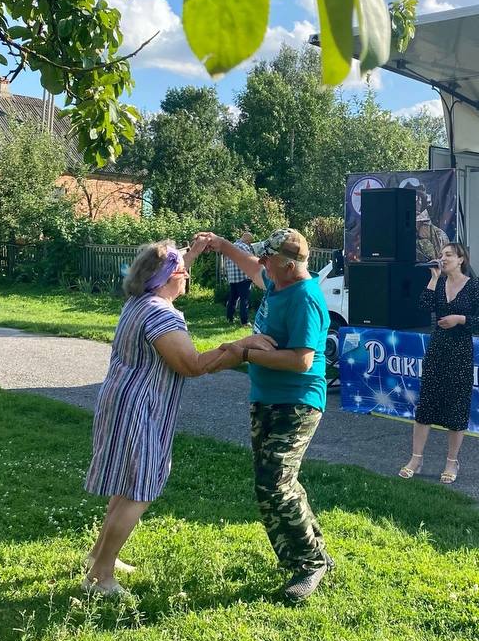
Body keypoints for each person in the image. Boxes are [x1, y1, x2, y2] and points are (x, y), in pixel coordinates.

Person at [83, 240, 274, 597]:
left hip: (122, 399)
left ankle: (99, 556)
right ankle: (100, 576)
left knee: (127, 485)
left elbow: (171, 261)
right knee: (140, 488)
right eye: (182, 270)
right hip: (140, 406)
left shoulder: (140, 301)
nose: (187, 274)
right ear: (168, 277)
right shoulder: (161, 314)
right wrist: (242, 349)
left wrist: (195, 251)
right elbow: (191, 365)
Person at [193, 227, 334, 603]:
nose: (262, 264)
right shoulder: (278, 283)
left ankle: (309, 564)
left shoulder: (304, 298)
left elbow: (302, 361)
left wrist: (246, 353)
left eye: (267, 259)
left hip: (297, 402)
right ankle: (314, 550)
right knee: (276, 481)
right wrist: (222, 245)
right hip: (267, 398)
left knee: (275, 483)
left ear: (287, 265)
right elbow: (252, 268)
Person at [399, 242, 479, 484]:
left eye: (449, 255)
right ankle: (416, 458)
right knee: (427, 403)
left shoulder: (473, 288)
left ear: (461, 259)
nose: (443, 258)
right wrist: (433, 278)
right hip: (438, 348)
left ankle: (452, 461)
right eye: (441, 255)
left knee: (456, 405)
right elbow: (422, 307)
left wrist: (460, 319)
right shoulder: (438, 282)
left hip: (460, 351)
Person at [224, 226, 256, 326]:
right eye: (250, 242)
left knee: (232, 299)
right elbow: (251, 261)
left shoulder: (231, 247)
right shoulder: (245, 247)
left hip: (232, 278)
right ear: (247, 240)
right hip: (243, 277)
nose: (249, 244)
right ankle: (244, 321)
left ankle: (229, 318)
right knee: (244, 300)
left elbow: (225, 263)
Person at [413, 190, 448, 263]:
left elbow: (439, 261)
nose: (416, 204)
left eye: (417, 200)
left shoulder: (437, 233)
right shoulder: (394, 229)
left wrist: (424, 239)